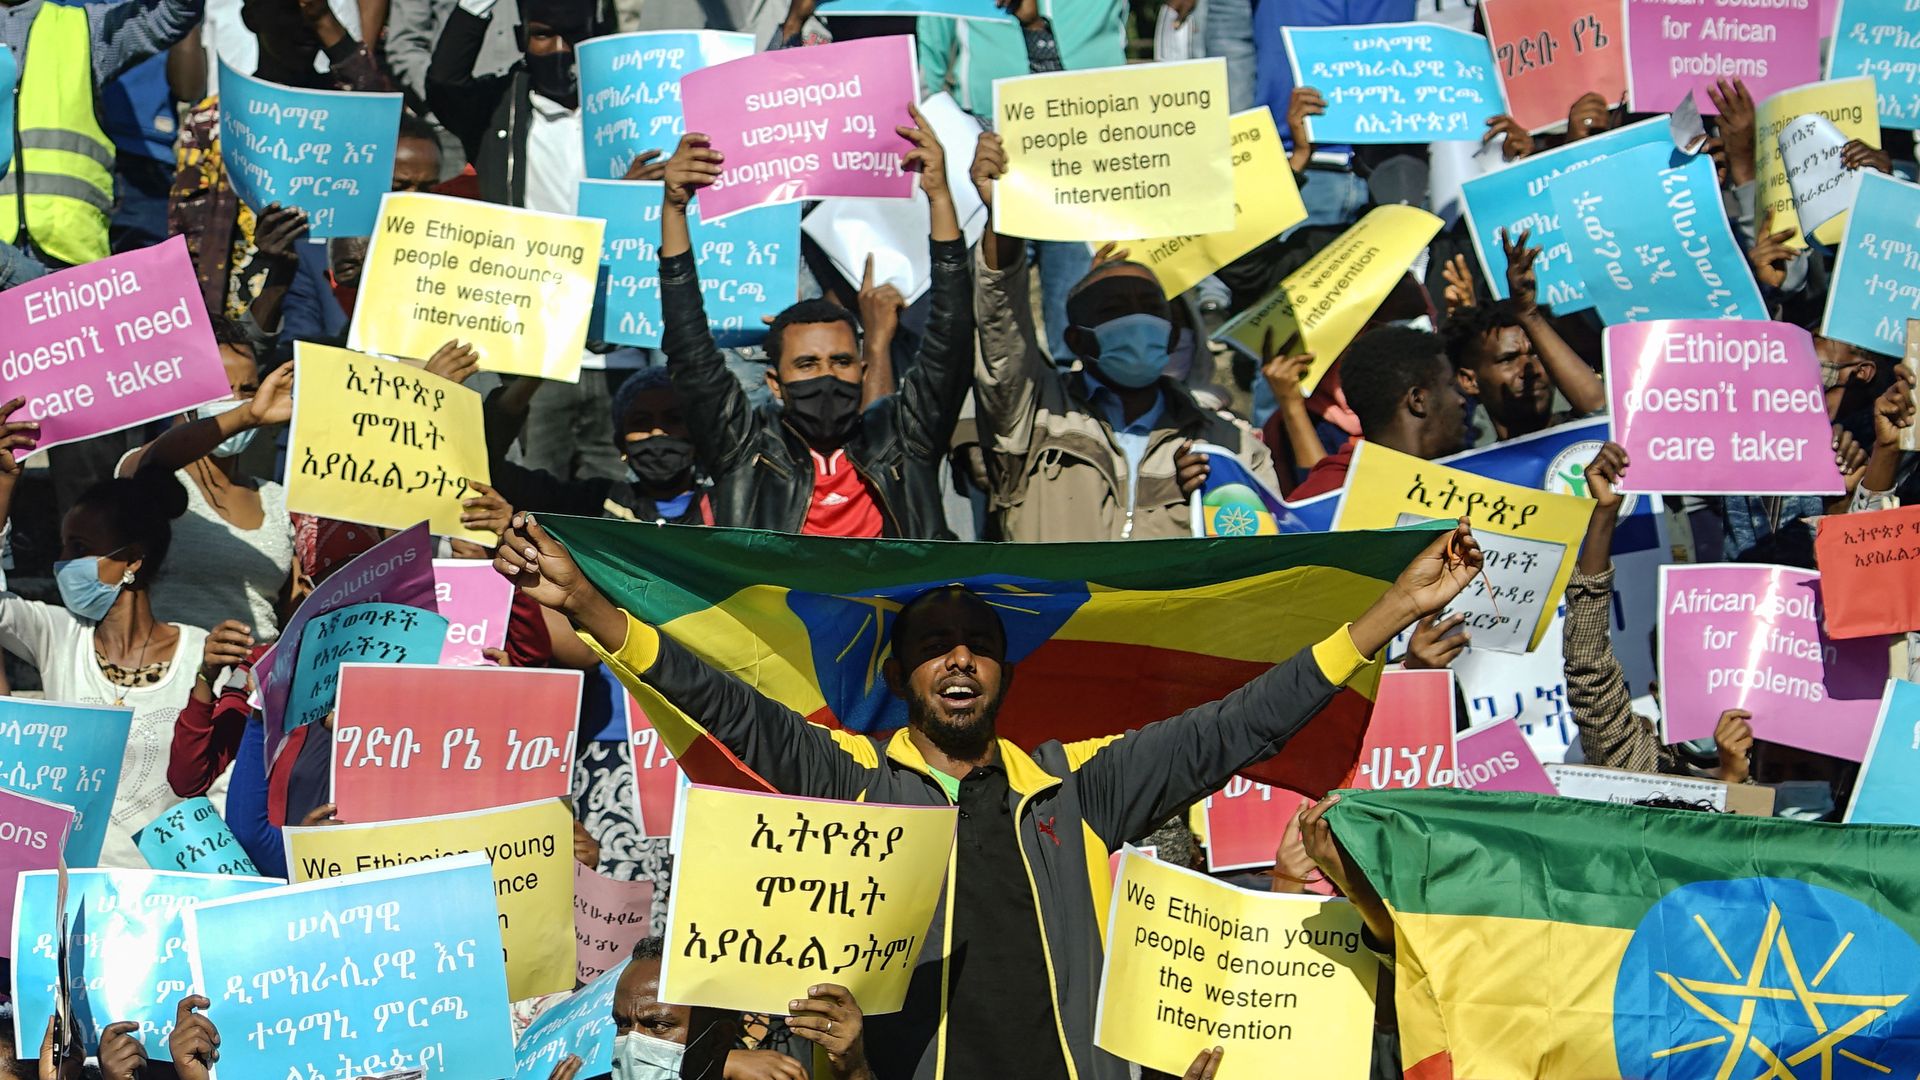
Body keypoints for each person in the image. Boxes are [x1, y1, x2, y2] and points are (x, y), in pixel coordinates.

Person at [494, 508, 1484, 1080]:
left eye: (979, 647)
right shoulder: (855, 783)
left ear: (1005, 675)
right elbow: (726, 704)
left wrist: (1394, 609)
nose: (959, 662)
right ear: (903, 675)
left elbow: (1239, 725)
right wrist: (586, 606)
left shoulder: (1073, 788)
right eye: (934, 648)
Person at [656, 112, 973, 538]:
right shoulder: (746, 449)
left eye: (840, 361)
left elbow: (950, 339)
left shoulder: (902, 441)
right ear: (774, 381)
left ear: (862, 372)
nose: (826, 376)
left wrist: (938, 196)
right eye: (806, 364)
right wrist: (674, 210)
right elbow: (688, 347)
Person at [967, 135, 1278, 541]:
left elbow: (1265, 554)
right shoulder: (1035, 416)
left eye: (1150, 306)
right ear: (1077, 340)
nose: (1137, 319)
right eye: (1113, 310)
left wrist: (1209, 498)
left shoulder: (1225, 443)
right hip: (1062, 606)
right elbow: (1000, 325)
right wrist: (1004, 213)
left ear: (1171, 335)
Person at [0, 401, 221, 869]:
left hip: (165, 902)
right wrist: (3, 485)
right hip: (69, 890)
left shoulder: (203, 654)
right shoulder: (59, 637)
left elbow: (218, 790)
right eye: (63, 546)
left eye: (80, 548)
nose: (63, 561)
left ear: (133, 560)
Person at [118, 322, 297, 643]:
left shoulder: (278, 499)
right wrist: (246, 415)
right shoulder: (149, 480)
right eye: (218, 390)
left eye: (248, 389)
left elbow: (290, 613)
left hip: (251, 686)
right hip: (175, 682)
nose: (237, 400)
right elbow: (156, 457)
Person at [1442, 230, 1605, 444]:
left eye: (1537, 354)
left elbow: (1599, 408)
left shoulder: (1586, 440)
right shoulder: (1469, 468)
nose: (1530, 370)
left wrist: (1529, 314)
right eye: (1508, 359)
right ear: (1469, 380)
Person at [1287, 326, 1469, 499]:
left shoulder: (1472, 479)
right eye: (1450, 386)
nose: (1461, 400)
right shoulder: (1326, 497)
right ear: (1418, 400)